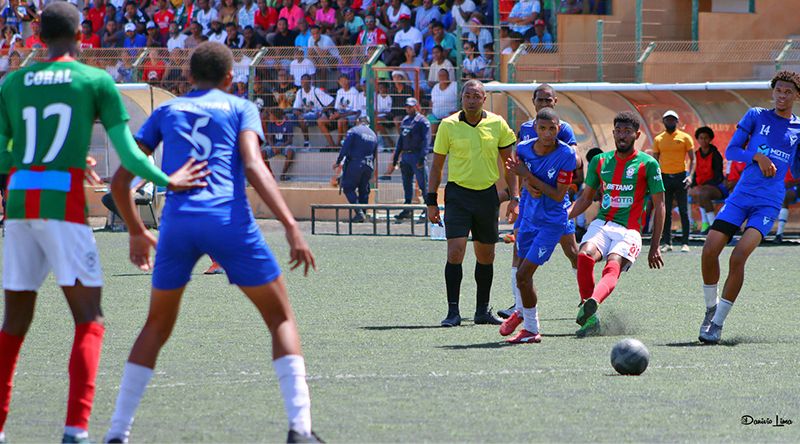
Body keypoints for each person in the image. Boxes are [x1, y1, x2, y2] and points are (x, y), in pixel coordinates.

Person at [0, 4, 205, 442]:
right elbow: (130, 153)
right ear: (80, 34)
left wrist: (53, 159)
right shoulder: (94, 80)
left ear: (37, 35)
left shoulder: (13, 82)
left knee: (13, 324)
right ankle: (75, 431)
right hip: (63, 207)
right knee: (89, 319)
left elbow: (4, 153)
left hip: (19, 205)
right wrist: (166, 178)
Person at [103, 42, 321, 443]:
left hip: (178, 223)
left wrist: (135, 229)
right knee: (281, 318)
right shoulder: (241, 108)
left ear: (188, 78)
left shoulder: (167, 111)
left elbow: (120, 180)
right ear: (230, 78)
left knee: (155, 326)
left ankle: (117, 432)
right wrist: (291, 225)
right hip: (228, 220)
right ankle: (300, 430)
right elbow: (254, 166)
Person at [699, 71, 800, 344]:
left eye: (788, 91)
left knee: (738, 256)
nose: (782, 95)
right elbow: (732, 151)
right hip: (740, 197)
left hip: (768, 203)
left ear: (796, 96)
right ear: (773, 92)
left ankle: (717, 324)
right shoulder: (756, 115)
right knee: (709, 249)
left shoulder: (798, 130)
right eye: (778, 90)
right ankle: (711, 308)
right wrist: (756, 155)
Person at [426, 79, 519, 327]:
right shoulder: (448, 125)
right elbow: (436, 166)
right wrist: (431, 200)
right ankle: (453, 312)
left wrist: (514, 197)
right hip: (457, 196)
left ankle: (481, 311)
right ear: (462, 98)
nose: (471, 100)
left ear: (484, 99)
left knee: (486, 255)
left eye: (476, 96)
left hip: (487, 196)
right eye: (467, 96)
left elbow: (510, 165)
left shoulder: (497, 123)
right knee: (455, 251)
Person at [568, 111, 666, 337]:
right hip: (602, 223)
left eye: (627, 131)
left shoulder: (648, 164)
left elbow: (659, 205)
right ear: (613, 133)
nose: (622, 135)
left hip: (629, 231)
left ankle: (591, 302)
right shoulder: (599, 161)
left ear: (637, 135)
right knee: (583, 256)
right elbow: (584, 199)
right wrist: (563, 216)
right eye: (618, 131)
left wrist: (655, 245)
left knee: (612, 265)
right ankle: (590, 316)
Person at [497, 83, 580, 319]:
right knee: (518, 250)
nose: (544, 104)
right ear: (533, 102)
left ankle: (587, 298)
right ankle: (518, 305)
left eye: (548, 100)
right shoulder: (525, 129)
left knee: (572, 251)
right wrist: (522, 192)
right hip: (529, 204)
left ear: (555, 102)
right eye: (540, 100)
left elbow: (575, 159)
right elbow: (518, 166)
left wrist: (536, 181)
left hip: (554, 205)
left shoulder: (562, 130)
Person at [653, 109, 695, 252]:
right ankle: (667, 243)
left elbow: (693, 159)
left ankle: (685, 242)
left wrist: (690, 176)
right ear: (663, 121)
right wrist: (655, 178)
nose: (670, 122)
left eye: (672, 119)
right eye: (667, 119)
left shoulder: (685, 137)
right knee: (666, 211)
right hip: (664, 177)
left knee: (683, 210)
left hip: (681, 176)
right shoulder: (659, 139)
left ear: (677, 121)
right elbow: (654, 161)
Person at [385, 97, 430, 220]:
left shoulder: (422, 121)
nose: (408, 108)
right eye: (407, 106)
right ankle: (407, 209)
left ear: (417, 107)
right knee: (406, 184)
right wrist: (395, 158)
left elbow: (426, 141)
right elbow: (400, 141)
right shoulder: (405, 120)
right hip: (405, 156)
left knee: (423, 184)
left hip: (417, 156)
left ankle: (428, 210)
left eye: (411, 106)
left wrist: (422, 157)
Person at [334, 116, 378, 223]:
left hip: (355, 163)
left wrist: (338, 161)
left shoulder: (354, 131)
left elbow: (345, 147)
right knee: (364, 190)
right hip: (369, 165)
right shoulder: (374, 135)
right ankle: (363, 213)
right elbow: (375, 154)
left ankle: (359, 213)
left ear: (358, 121)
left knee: (348, 188)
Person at [688, 126, 725, 234]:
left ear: (710, 139)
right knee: (692, 192)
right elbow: (693, 173)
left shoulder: (716, 155)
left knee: (702, 193)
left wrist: (706, 184)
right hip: (699, 188)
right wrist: (693, 184)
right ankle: (701, 224)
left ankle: (713, 225)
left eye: (706, 138)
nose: (703, 140)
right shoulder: (695, 155)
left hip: (715, 187)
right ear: (697, 139)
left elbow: (718, 176)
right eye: (701, 138)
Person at [292, 74, 334, 148]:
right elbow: (295, 108)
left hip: (318, 114)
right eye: (302, 81)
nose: (304, 82)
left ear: (310, 82)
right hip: (306, 114)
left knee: (302, 118)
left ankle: (307, 143)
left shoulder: (316, 91)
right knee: (290, 117)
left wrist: (322, 111)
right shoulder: (300, 92)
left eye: (306, 80)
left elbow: (332, 102)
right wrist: (298, 113)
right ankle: (305, 142)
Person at [266, 108, 296, 181]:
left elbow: (290, 140)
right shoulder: (270, 124)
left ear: (276, 116)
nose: (269, 117)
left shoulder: (288, 123)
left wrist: (281, 147)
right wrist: (273, 147)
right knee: (262, 154)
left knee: (290, 152)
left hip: (285, 145)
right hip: (274, 145)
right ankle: (270, 175)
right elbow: (269, 138)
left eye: (270, 115)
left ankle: (283, 175)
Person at [774, 171, 799, 243]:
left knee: (785, 196)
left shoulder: (796, 161)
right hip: (781, 187)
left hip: (795, 187)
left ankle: (779, 234)